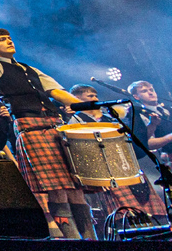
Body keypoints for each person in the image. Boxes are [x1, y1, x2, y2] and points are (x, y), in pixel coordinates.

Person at [0, 8, 95, 239]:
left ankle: (92, 240)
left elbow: (56, 92)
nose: (9, 41)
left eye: (9, 37)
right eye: (1, 39)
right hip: (32, 128)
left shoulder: (29, 69)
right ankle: (72, 241)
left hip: (56, 128)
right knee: (57, 189)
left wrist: (88, 107)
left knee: (76, 189)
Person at [67, 83, 167, 225]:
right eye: (90, 96)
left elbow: (138, 142)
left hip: (127, 167)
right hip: (108, 173)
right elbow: (82, 152)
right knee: (126, 217)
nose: (95, 99)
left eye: (96, 95)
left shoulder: (110, 117)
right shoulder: (76, 121)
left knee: (152, 215)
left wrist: (152, 125)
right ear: (76, 99)